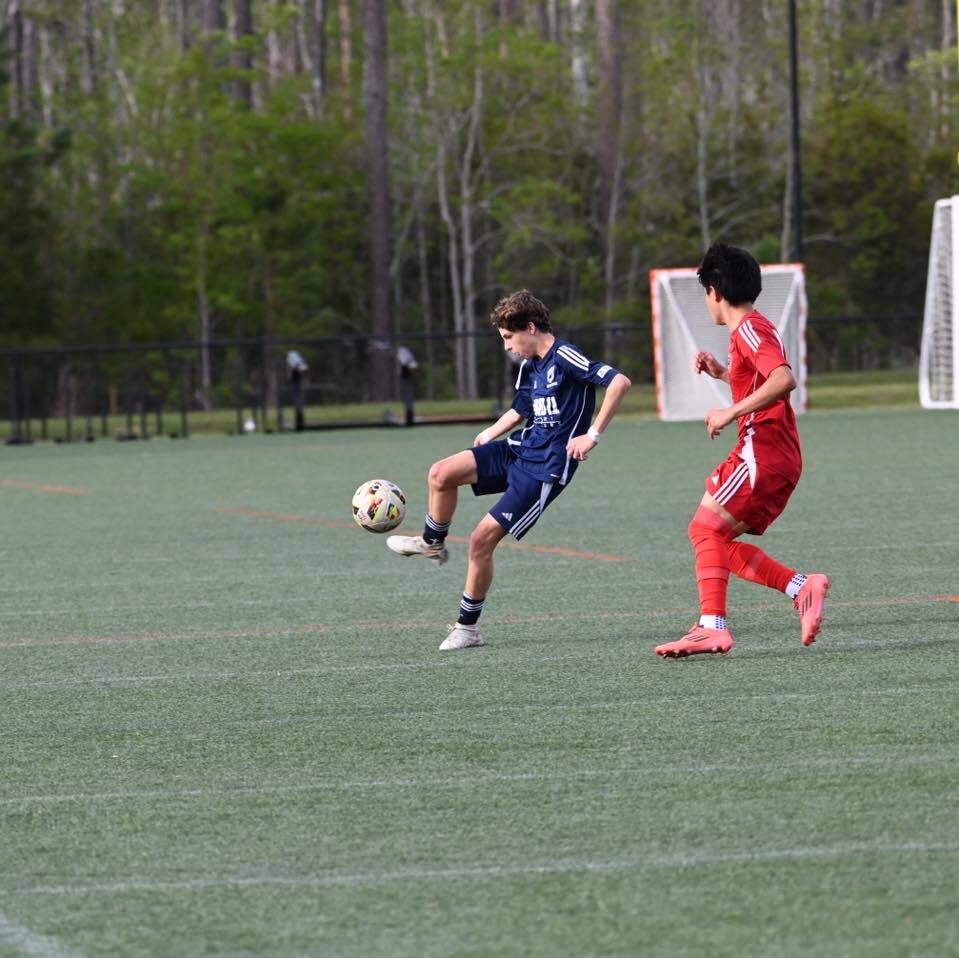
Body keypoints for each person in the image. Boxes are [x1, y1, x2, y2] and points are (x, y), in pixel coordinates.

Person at [386, 289, 632, 650]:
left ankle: (467, 629)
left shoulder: (565, 356)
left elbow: (619, 382)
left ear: (530, 328)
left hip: (544, 470)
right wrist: (491, 432)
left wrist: (592, 435)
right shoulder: (530, 366)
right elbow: (521, 410)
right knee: (441, 473)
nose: (506, 346)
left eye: (508, 337)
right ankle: (431, 543)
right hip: (519, 450)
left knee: (480, 541)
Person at [654, 243, 829, 659]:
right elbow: (757, 379)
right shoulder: (745, 334)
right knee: (716, 543)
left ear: (715, 289)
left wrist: (730, 411)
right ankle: (800, 586)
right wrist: (722, 372)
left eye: (705, 292)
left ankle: (711, 627)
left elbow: (783, 379)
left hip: (763, 451)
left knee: (703, 530)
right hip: (776, 456)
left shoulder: (750, 327)